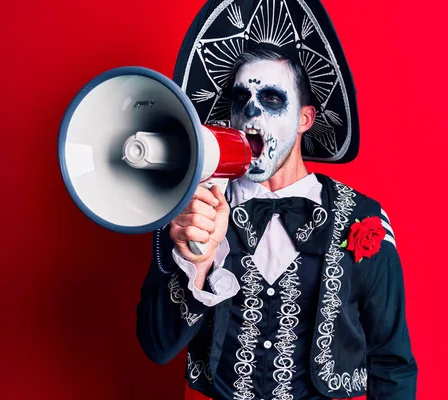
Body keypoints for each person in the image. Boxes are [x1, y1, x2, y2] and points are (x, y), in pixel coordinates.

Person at [137, 1, 417, 399]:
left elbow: (392, 361)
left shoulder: (362, 218)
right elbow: (156, 346)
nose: (251, 111)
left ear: (305, 119)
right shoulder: (191, 211)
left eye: (271, 98)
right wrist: (195, 264)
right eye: (240, 100)